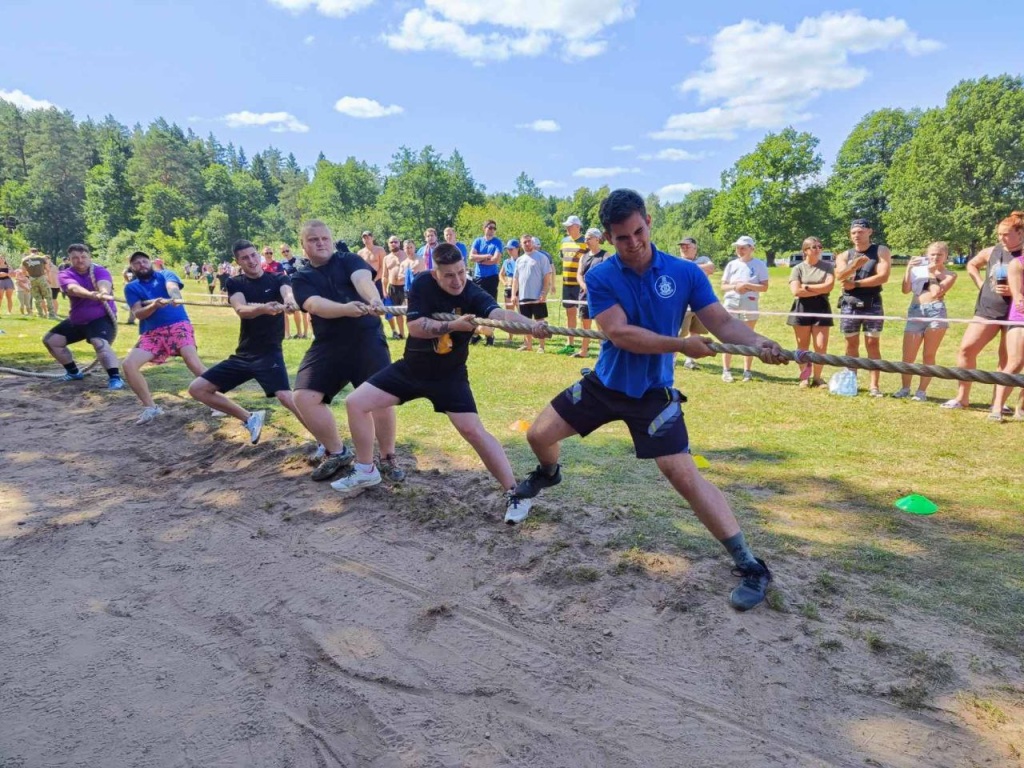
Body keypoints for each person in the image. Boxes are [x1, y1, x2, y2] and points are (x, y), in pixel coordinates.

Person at [514, 189, 785, 610]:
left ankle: (750, 564)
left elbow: (722, 323)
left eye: (638, 231)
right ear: (608, 237)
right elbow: (619, 333)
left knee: (683, 475)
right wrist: (680, 344)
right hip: (605, 385)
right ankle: (548, 474)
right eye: (622, 237)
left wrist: (762, 342)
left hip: (654, 395)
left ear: (649, 222)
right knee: (538, 435)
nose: (634, 242)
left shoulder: (685, 272)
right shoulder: (601, 276)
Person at [334, 243, 550, 525]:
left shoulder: (471, 291)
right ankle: (366, 470)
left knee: (474, 432)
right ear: (435, 273)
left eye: (461, 272)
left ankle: (515, 493)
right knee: (356, 402)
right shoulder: (423, 283)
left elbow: (500, 317)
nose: (457, 280)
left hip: (449, 377)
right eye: (449, 275)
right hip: (411, 369)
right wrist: (452, 326)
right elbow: (414, 327)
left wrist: (530, 326)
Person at [290, 220, 399, 482]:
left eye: (325, 238)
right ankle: (338, 452)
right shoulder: (300, 277)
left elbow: (361, 279)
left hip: (367, 338)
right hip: (329, 344)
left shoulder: (348, 259)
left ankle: (387, 457)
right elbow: (314, 305)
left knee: (381, 400)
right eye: (313, 240)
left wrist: (373, 299)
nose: (321, 243)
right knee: (304, 397)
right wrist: (346, 309)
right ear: (304, 246)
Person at [187, 240, 311, 444]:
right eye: (245, 258)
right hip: (244, 355)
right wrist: (263, 309)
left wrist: (289, 302)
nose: (251, 261)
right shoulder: (235, 283)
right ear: (238, 262)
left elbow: (287, 293)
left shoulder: (278, 278)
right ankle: (250, 418)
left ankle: (326, 442)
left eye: (254, 255)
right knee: (197, 389)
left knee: (286, 397)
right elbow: (241, 309)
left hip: (269, 352)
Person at [942, 211, 1022, 411]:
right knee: (967, 349)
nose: (1001, 238)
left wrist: (1015, 291)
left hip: (1015, 314)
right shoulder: (992, 251)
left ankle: (999, 404)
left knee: (1007, 360)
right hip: (987, 309)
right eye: (999, 234)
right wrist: (982, 284)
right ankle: (962, 398)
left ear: (1020, 233)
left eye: (1006, 234)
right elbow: (972, 264)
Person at [122, 251, 207, 424]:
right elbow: (138, 313)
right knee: (128, 365)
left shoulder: (165, 274)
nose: (142, 264)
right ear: (132, 267)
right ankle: (150, 408)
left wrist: (174, 297)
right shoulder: (131, 287)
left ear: (150, 262)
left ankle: (217, 401)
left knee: (192, 360)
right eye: (136, 263)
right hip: (152, 333)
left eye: (144, 261)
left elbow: (172, 287)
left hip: (178, 325)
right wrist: (154, 305)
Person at [42, 244, 123, 389]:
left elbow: (104, 283)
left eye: (83, 257)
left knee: (99, 342)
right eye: (75, 258)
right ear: (70, 260)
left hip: (101, 318)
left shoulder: (100, 270)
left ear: (89, 257)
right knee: (51, 341)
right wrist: (91, 295)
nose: (80, 260)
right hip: (78, 320)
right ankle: (73, 372)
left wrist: (103, 292)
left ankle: (115, 378)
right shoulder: (65, 274)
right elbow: (73, 288)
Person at [892, 242, 957, 402]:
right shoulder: (917, 270)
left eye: (939, 254)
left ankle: (921, 391)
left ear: (946, 256)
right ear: (927, 255)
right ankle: (905, 388)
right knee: (908, 355)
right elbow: (905, 290)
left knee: (928, 354)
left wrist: (931, 273)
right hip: (916, 310)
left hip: (936, 312)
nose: (935, 257)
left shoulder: (950, 274)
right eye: (932, 254)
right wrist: (908, 269)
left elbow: (936, 293)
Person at [835, 218, 892, 397]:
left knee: (872, 343)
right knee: (850, 343)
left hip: (872, 302)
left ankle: (874, 386)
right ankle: (851, 383)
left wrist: (857, 284)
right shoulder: (844, 255)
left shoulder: (880, 250)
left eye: (860, 231)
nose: (857, 235)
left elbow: (883, 276)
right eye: (853, 233)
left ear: (869, 232)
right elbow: (840, 277)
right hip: (849, 304)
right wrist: (854, 266)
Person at [787, 237, 835, 388]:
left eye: (820, 246)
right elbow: (795, 291)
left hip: (822, 307)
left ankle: (818, 378)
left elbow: (828, 287)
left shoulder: (827, 266)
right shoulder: (798, 268)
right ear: (806, 250)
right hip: (802, 308)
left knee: (820, 346)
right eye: (814, 247)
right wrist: (817, 289)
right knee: (803, 346)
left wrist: (806, 287)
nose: (818, 249)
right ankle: (804, 378)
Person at [720, 236, 769, 382]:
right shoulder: (731, 265)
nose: (739, 251)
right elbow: (723, 286)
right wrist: (735, 286)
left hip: (750, 303)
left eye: (743, 248)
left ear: (751, 249)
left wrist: (747, 286)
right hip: (731, 303)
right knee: (727, 336)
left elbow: (764, 286)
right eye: (738, 248)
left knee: (749, 337)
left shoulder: (759, 265)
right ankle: (726, 370)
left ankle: (747, 371)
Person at [989, 244, 1024, 422]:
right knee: (1015, 363)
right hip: (1020, 320)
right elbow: (1018, 297)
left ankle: (1021, 408)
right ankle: (997, 407)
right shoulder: (1018, 264)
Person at [677, 237, 716, 369]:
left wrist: (690, 267)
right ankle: (670, 361)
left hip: (700, 305)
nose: (683, 248)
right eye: (682, 246)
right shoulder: (677, 262)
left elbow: (711, 268)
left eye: (687, 246)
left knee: (695, 332)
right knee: (679, 335)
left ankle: (690, 361)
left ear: (695, 248)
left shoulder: (703, 259)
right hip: (683, 306)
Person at [511, 237, 552, 353]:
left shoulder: (542, 257)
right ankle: (528, 345)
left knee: (540, 322)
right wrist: (514, 294)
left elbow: (547, 277)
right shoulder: (519, 260)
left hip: (537, 297)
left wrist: (544, 292)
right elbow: (515, 279)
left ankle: (541, 346)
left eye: (529, 241)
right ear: (521, 245)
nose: (528, 244)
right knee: (525, 322)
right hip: (523, 297)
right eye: (525, 242)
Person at [575, 227, 610, 358]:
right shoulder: (583, 257)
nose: (586, 241)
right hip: (584, 295)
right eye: (585, 238)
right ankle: (584, 351)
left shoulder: (605, 256)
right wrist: (583, 285)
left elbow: (608, 275)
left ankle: (604, 352)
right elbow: (579, 274)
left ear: (597, 239)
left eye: (589, 238)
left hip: (599, 297)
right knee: (585, 324)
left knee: (600, 326)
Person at [469, 219, 502, 346]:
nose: (492, 230)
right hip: (478, 278)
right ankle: (476, 334)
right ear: (484, 228)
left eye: (494, 228)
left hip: (491, 278)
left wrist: (480, 259)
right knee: (476, 306)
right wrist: (485, 256)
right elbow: (471, 257)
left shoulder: (497, 242)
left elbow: (495, 260)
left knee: (489, 307)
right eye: (490, 227)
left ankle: (490, 335)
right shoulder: (478, 241)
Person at [559, 215, 587, 352]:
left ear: (577, 227)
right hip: (566, 282)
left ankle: (584, 344)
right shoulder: (564, 241)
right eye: (566, 226)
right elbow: (562, 258)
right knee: (569, 312)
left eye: (570, 226)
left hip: (580, 284)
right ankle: (570, 343)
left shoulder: (586, 242)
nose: (567, 229)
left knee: (583, 314)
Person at [280, 243, 309, 339]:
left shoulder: (299, 260)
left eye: (287, 250)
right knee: (296, 311)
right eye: (283, 251)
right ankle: (299, 333)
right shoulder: (282, 263)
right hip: (291, 289)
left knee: (304, 311)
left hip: (302, 287)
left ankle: (306, 333)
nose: (285, 253)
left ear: (290, 249)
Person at [380, 236, 405, 340]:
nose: (393, 244)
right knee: (397, 312)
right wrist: (384, 290)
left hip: (405, 287)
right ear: (388, 244)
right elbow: (384, 275)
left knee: (410, 311)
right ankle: (402, 334)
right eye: (391, 242)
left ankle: (414, 333)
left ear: (399, 243)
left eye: (396, 242)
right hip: (392, 288)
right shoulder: (386, 258)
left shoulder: (405, 255)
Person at [22, 248, 56, 319]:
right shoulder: (41, 258)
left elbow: (23, 271)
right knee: (48, 296)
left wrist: (29, 276)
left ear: (30, 252)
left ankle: (40, 314)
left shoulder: (25, 260)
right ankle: (51, 314)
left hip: (32, 279)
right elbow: (48, 269)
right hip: (41, 278)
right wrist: (49, 279)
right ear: (37, 252)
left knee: (37, 297)